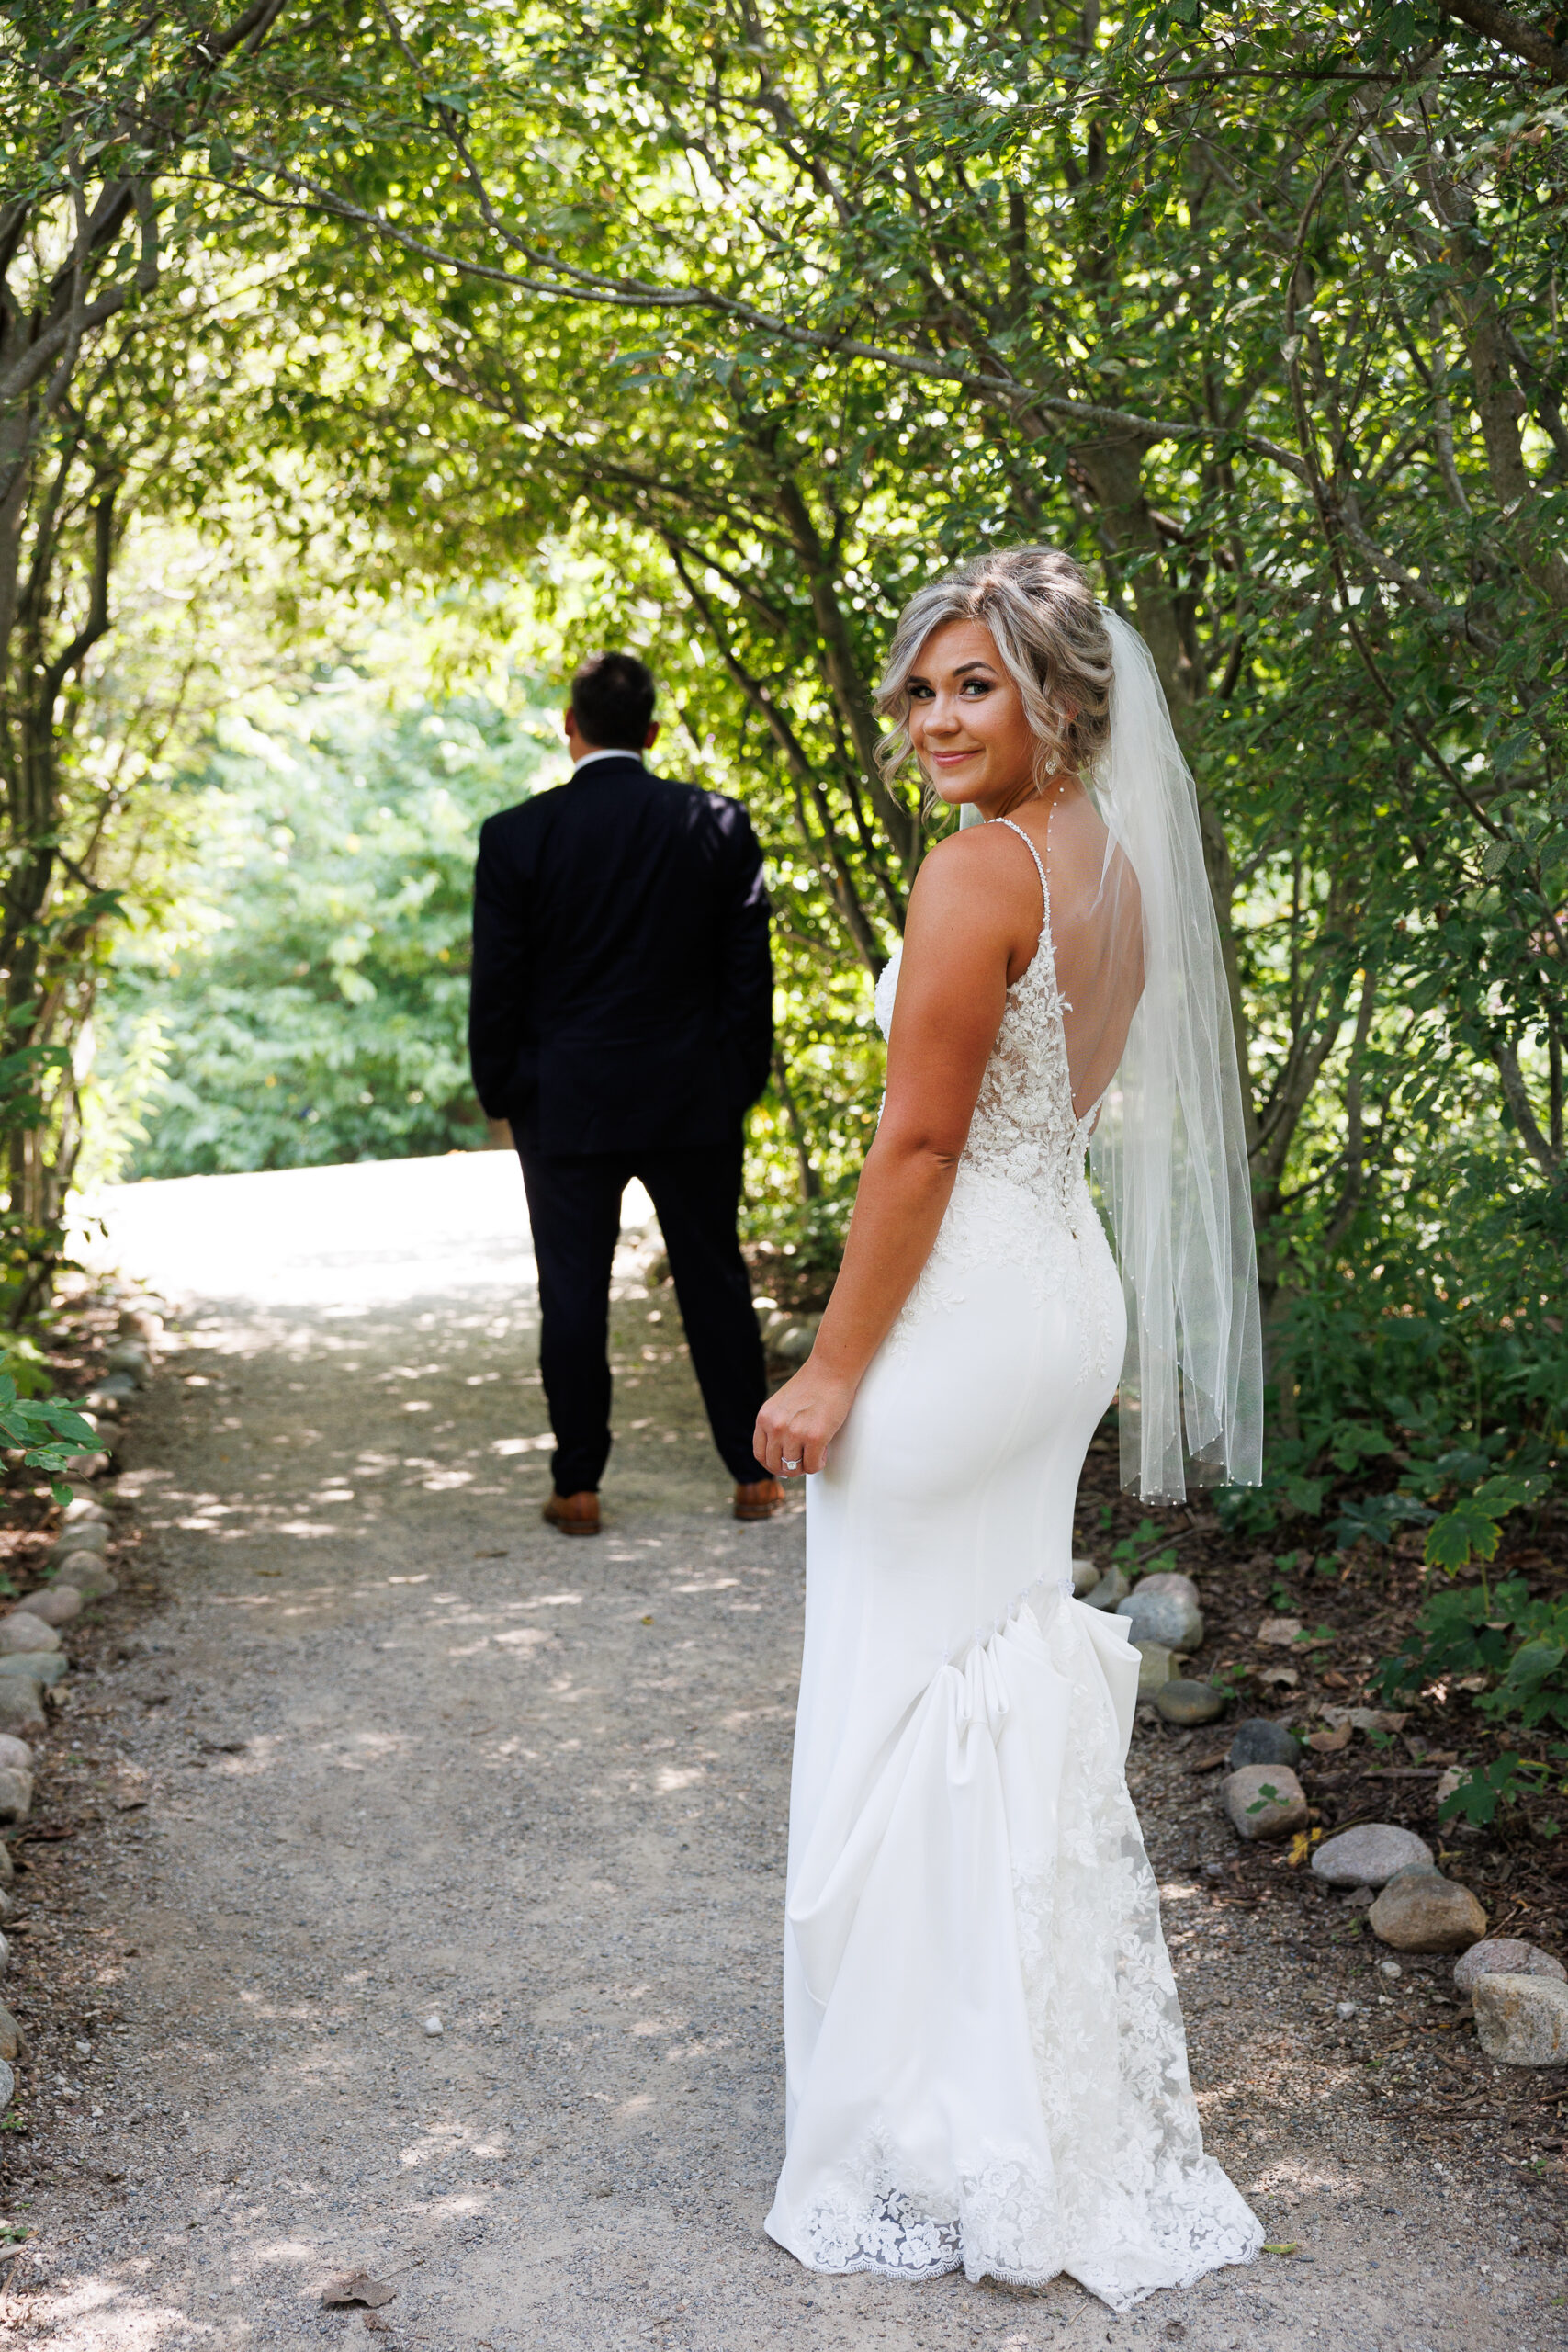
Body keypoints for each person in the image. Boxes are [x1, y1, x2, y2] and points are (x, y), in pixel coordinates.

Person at [754, 549, 1265, 2308]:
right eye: (921, 689)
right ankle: (1028, 2105)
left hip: (966, 1322)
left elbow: (918, 1152)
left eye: (974, 684)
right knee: (993, 1684)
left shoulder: (977, 871)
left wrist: (826, 1372)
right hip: (1064, 1298)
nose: (938, 720)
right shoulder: (1110, 865)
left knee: (896, 1702)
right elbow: (1063, 1101)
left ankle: (921, 2126)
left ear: (1058, 694)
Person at [469, 650, 781, 1534]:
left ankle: (578, 1486)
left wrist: (504, 1090)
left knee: (570, 1292)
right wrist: (738, 1083)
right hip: (692, 1098)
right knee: (714, 1279)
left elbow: (498, 980)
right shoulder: (716, 822)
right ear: (651, 732)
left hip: (563, 1101)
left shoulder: (516, 835)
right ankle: (753, 1475)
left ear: (570, 730)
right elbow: (745, 974)